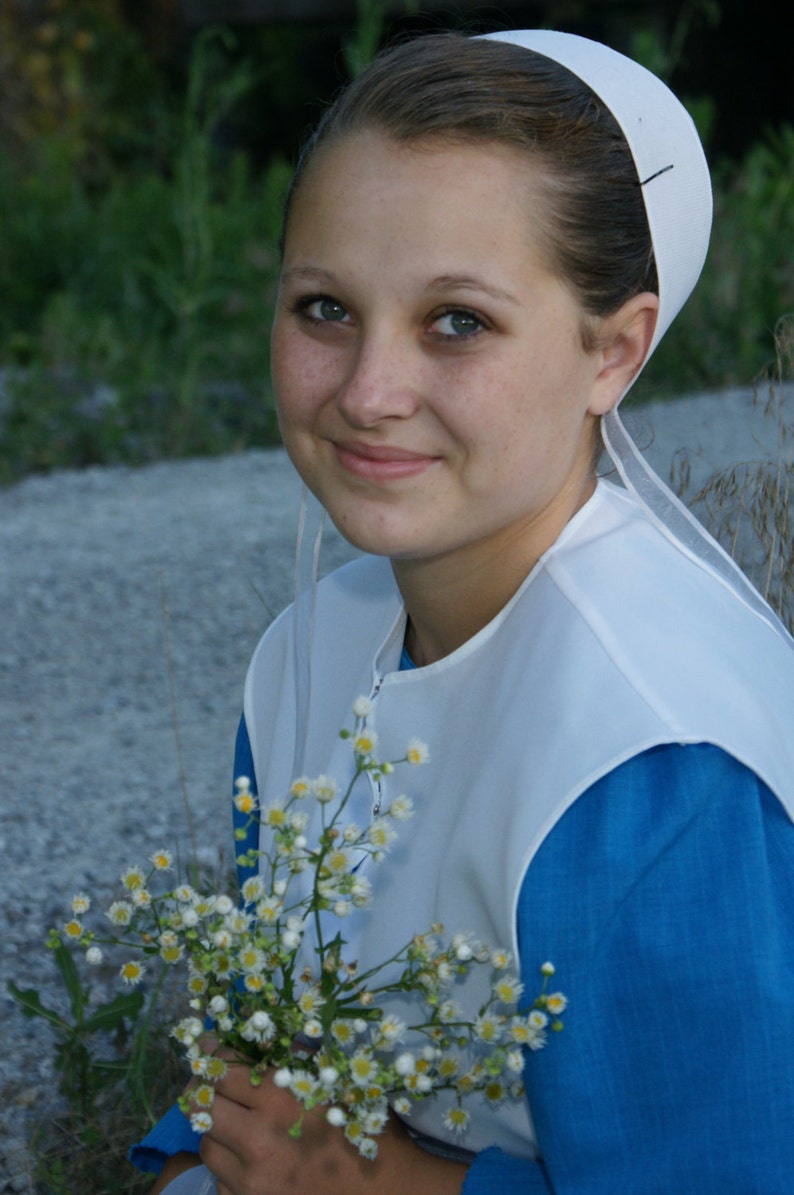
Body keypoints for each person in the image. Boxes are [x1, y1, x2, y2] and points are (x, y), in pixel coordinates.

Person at [132, 27, 794, 1195]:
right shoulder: (307, 650)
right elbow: (250, 1088)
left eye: (456, 322)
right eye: (325, 308)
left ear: (613, 350)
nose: (367, 393)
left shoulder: (659, 769)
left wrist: (370, 1181)